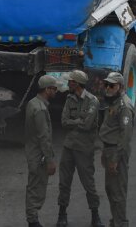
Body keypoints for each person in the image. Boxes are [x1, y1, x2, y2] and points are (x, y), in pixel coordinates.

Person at [56, 70, 103, 227]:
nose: (68, 83)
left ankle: (95, 216)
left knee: (88, 183)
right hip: (69, 146)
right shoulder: (69, 99)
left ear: (76, 84)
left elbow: (87, 124)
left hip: (84, 148)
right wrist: (78, 121)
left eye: (70, 81)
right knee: (64, 182)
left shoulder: (93, 101)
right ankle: (62, 215)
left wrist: (73, 121)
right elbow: (63, 122)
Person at [99, 71, 134, 227]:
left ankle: (121, 223)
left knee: (118, 192)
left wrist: (114, 159)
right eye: (107, 84)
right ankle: (115, 221)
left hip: (117, 151)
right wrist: (104, 152)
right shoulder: (113, 101)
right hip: (109, 149)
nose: (108, 88)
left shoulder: (124, 106)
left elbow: (125, 137)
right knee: (110, 189)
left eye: (112, 85)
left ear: (120, 87)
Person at [25, 75, 58, 227]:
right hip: (38, 156)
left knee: (34, 185)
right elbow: (44, 137)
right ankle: (33, 220)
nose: (56, 92)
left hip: (32, 152)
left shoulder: (33, 103)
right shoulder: (40, 109)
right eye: (54, 89)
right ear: (47, 89)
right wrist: (50, 160)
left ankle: (32, 219)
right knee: (36, 187)